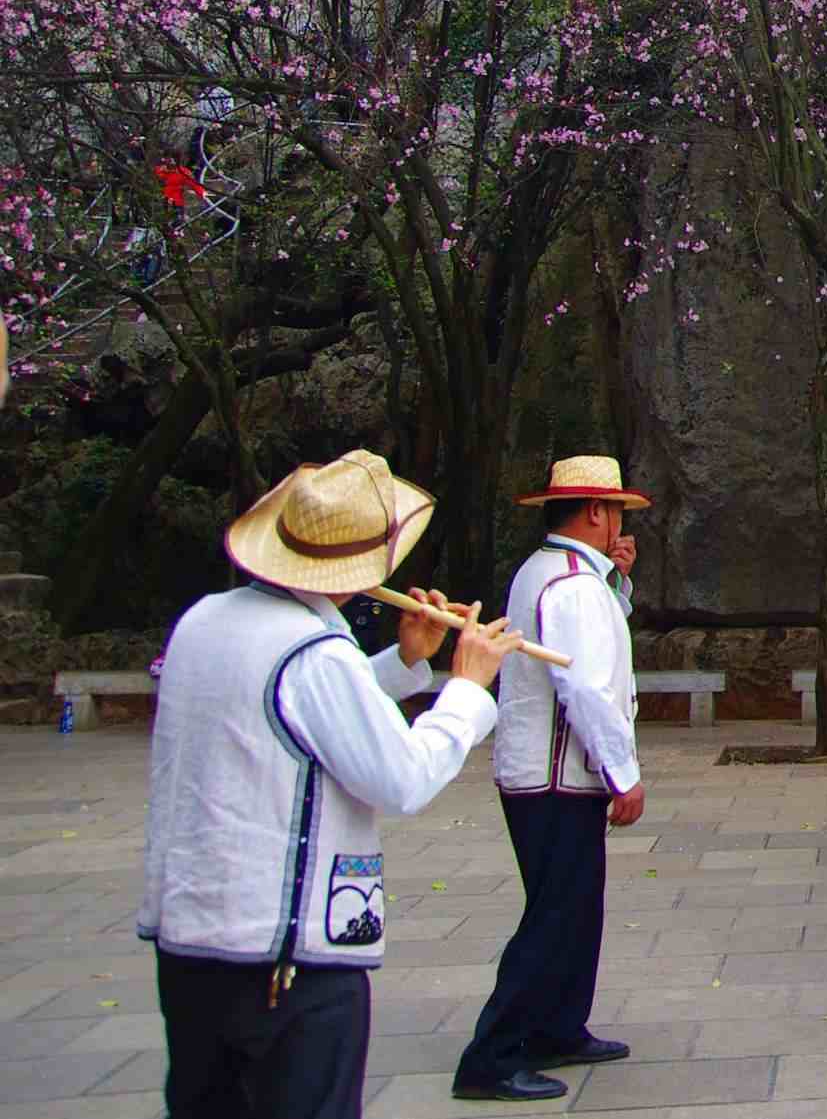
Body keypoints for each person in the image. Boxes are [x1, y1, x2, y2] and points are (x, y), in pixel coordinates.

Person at [141, 450, 520, 1119]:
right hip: (286, 961)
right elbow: (401, 778)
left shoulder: (203, 620)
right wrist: (465, 687)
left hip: (192, 944)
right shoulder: (316, 652)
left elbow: (286, 716)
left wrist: (406, 660)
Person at [453, 456, 649, 1103]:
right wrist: (623, 774)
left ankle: (558, 1024)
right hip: (556, 775)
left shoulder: (556, 571)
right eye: (614, 508)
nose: (619, 520)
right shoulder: (570, 584)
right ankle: (494, 1050)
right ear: (595, 511)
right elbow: (586, 688)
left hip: (546, 772)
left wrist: (617, 578)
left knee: (574, 906)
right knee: (555, 913)